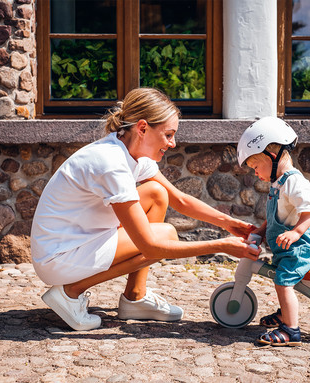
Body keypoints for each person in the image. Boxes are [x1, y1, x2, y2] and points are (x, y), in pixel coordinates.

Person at [31, 87, 260, 331]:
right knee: (165, 235)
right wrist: (221, 246)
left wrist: (228, 223)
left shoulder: (130, 152)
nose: (173, 143)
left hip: (76, 240)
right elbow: (150, 246)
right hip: (58, 257)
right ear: (142, 128)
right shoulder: (112, 164)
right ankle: (69, 292)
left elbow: (179, 200)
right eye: (168, 134)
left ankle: (135, 297)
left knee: (156, 194)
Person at [237, 116, 310, 347]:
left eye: (255, 166)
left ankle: (290, 331)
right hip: (287, 249)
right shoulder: (278, 183)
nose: (255, 173)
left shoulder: (294, 182)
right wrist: (262, 230)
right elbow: (277, 216)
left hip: (299, 249)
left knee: (283, 282)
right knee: (280, 279)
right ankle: (284, 314)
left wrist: (295, 233)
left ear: (271, 156)